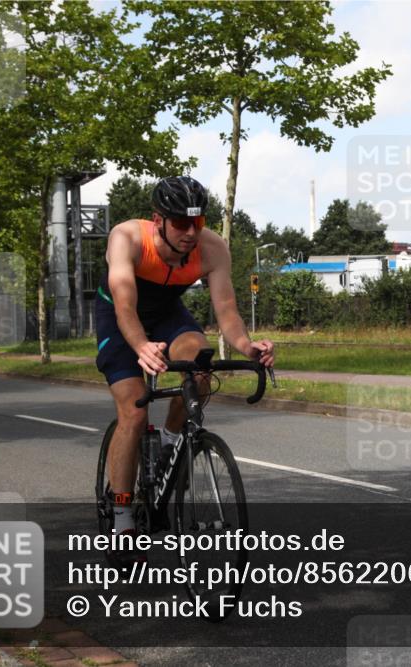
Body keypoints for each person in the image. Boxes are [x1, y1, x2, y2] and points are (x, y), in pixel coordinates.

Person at [94, 175, 274, 551]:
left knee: (200, 366)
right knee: (134, 411)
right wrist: (141, 345)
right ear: (158, 219)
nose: (191, 232)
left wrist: (247, 346)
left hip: (167, 314)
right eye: (180, 223)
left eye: (199, 222)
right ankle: (124, 517)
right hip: (120, 316)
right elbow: (125, 303)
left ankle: (171, 443)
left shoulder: (212, 248)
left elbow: (226, 310)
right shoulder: (127, 237)